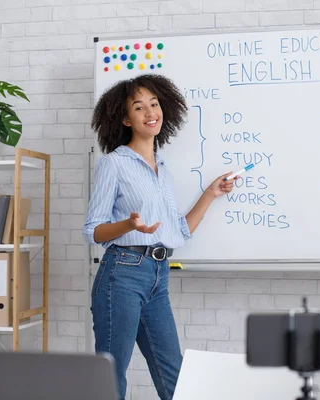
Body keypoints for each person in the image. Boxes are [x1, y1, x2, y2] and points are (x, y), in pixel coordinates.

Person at [82, 74, 236, 400]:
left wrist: (211, 192)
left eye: (154, 104)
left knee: (174, 374)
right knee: (111, 374)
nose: (150, 112)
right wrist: (128, 225)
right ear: (125, 119)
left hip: (157, 277)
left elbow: (178, 231)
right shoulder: (114, 164)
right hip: (121, 274)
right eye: (139, 107)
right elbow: (93, 230)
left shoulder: (162, 169)